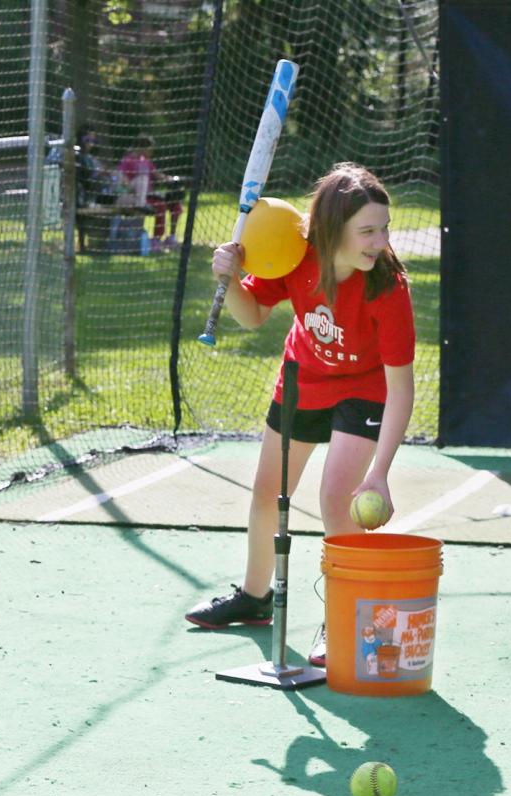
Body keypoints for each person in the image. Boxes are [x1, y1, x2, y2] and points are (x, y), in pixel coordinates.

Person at [184, 162, 415, 667]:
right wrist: (230, 278)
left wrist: (379, 474)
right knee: (269, 491)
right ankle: (254, 597)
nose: (380, 241)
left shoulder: (388, 288)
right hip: (303, 378)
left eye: (384, 228)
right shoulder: (294, 258)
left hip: (364, 388)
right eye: (368, 231)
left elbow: (401, 389)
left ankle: (341, 620)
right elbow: (251, 317)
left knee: (338, 498)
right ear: (333, 230)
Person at [115, 135, 182, 252]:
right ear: (142, 148)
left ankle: (171, 237)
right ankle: (155, 240)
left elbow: (158, 175)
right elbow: (122, 178)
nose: (152, 152)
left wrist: (171, 179)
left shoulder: (146, 161)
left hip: (150, 195)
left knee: (175, 205)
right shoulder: (128, 160)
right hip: (137, 197)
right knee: (160, 206)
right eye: (150, 149)